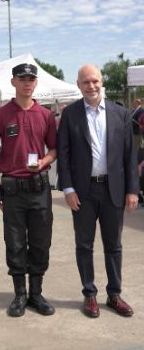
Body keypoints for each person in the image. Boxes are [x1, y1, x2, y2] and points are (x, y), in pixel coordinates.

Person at [57, 64, 139, 318]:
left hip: (113, 190)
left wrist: (132, 190)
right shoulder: (70, 115)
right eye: (85, 83)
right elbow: (64, 154)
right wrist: (68, 188)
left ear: (101, 81)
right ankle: (89, 294)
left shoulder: (121, 114)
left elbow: (130, 156)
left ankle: (114, 294)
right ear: (78, 85)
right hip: (83, 191)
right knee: (84, 245)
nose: (91, 86)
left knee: (114, 246)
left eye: (95, 81)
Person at [0, 63, 56, 317]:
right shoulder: (1, 115)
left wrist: (45, 161)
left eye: (31, 79)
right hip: (12, 191)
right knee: (14, 243)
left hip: (39, 190)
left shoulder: (45, 115)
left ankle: (36, 293)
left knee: (40, 242)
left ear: (35, 83)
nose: (27, 83)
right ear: (13, 82)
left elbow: (54, 148)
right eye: (22, 79)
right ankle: (20, 295)